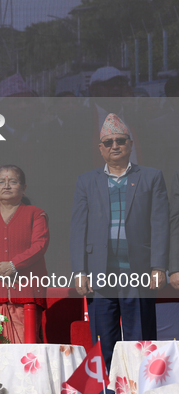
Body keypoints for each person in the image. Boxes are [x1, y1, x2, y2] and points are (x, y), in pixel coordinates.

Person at [70, 113, 168, 370]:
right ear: (101, 148)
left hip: (139, 272)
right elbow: (78, 229)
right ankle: (108, 389)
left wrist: (159, 266)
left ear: (131, 144)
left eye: (121, 140)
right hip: (99, 275)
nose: (115, 146)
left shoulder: (151, 177)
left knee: (141, 340)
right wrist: (80, 271)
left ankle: (141, 387)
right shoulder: (86, 181)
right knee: (104, 342)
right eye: (109, 142)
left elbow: (160, 225)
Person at [0, 165, 49, 343]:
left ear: (23, 188)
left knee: (25, 349)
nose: (6, 186)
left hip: (25, 292)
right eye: (1, 182)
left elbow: (40, 244)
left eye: (13, 181)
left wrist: (13, 265)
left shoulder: (36, 214)